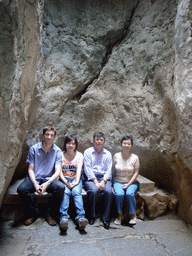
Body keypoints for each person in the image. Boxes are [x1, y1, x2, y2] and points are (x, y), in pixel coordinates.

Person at [17, 127, 65, 226]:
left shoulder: (58, 151)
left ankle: (49, 213)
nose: (49, 137)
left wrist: (47, 184)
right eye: (47, 134)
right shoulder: (34, 149)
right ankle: (34, 212)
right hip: (35, 177)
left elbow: (57, 172)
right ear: (43, 135)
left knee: (61, 188)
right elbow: (30, 169)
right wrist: (35, 184)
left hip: (48, 178)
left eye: (51, 135)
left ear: (54, 137)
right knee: (21, 189)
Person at [84, 132, 113, 229]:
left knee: (109, 191)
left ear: (104, 141)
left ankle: (106, 218)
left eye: (101, 140)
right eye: (97, 139)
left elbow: (109, 170)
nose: (99, 142)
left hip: (104, 178)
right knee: (93, 191)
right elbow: (87, 169)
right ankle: (91, 216)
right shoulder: (88, 152)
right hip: (91, 178)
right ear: (93, 141)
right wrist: (96, 182)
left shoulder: (108, 154)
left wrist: (103, 181)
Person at [59, 135, 88, 232]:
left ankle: (80, 218)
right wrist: (65, 182)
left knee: (76, 193)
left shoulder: (79, 155)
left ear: (76, 145)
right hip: (64, 179)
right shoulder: (60, 154)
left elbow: (79, 170)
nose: (71, 145)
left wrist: (75, 182)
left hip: (76, 179)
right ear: (65, 144)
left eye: (73, 143)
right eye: (68, 143)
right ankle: (64, 218)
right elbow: (59, 171)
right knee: (65, 193)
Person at [113, 135, 140, 225]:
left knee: (129, 193)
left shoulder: (135, 157)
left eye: (128, 143)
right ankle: (119, 215)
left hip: (131, 182)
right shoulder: (116, 156)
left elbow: (136, 173)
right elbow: (112, 170)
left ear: (131, 145)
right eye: (124, 143)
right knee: (119, 194)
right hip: (118, 181)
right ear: (121, 144)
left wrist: (128, 184)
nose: (126, 145)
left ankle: (133, 215)